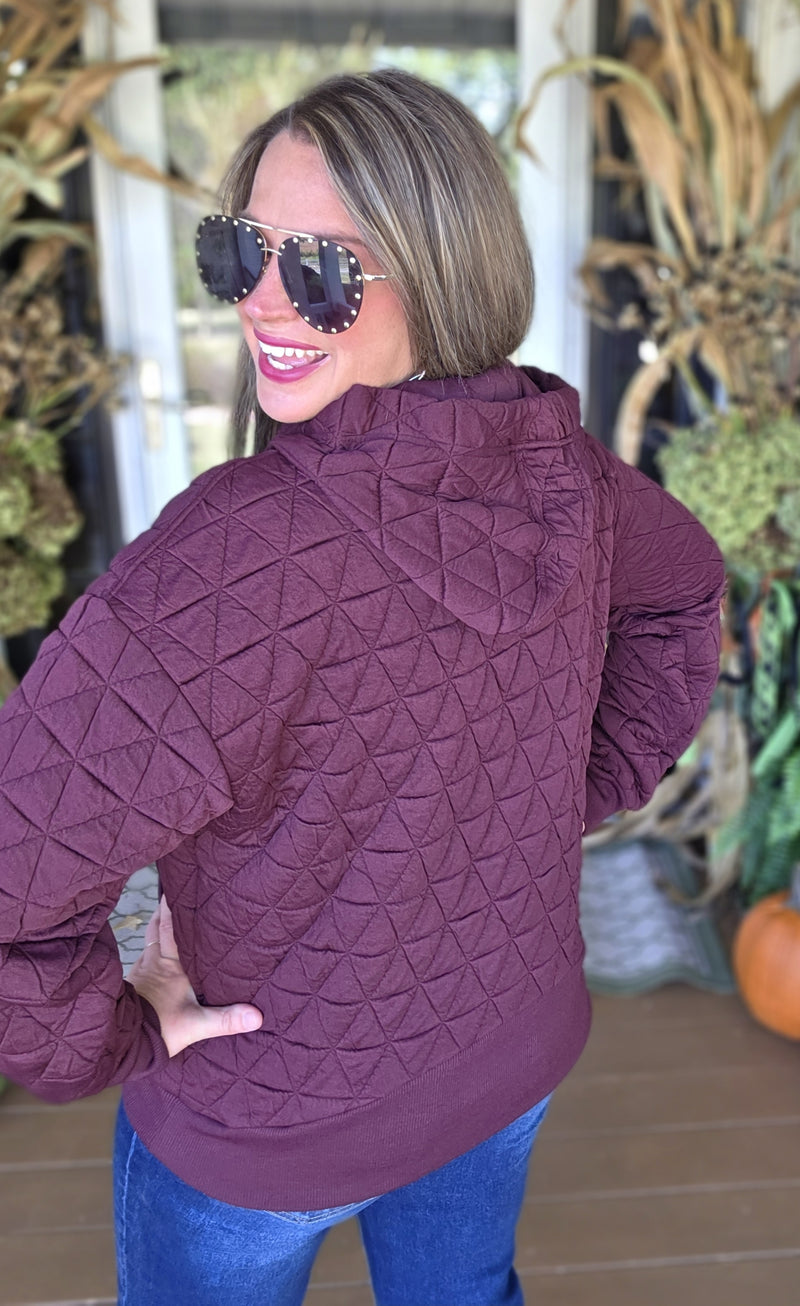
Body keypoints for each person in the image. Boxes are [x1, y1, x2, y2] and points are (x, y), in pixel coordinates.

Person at [0, 69, 724, 1306]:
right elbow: (684, 590)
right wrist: (564, 792)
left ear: (443, 275)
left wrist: (110, 1033)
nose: (263, 300)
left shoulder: (221, 561)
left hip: (266, 1123)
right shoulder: (567, 476)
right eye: (238, 251)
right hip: (504, 1057)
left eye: (324, 268)